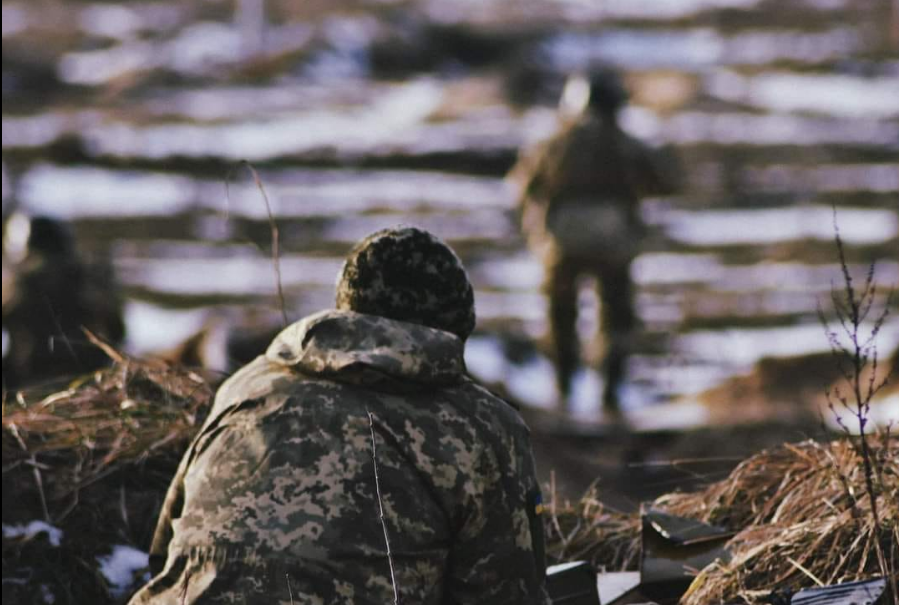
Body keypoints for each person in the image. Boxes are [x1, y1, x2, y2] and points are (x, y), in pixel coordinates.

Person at [129, 227, 550, 604]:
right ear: (455, 328)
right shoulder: (481, 424)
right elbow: (505, 593)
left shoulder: (247, 386)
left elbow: (164, 552)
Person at [509, 68, 678, 415]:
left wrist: (535, 229)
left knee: (560, 315)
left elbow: (524, 187)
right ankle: (611, 392)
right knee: (616, 316)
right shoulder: (627, 144)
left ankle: (563, 385)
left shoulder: (553, 143)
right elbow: (664, 181)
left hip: (561, 242)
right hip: (615, 241)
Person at [2, 215, 124, 389]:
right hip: (85, 379)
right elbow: (118, 333)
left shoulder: (16, 286)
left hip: (32, 378)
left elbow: (117, 331)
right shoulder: (88, 282)